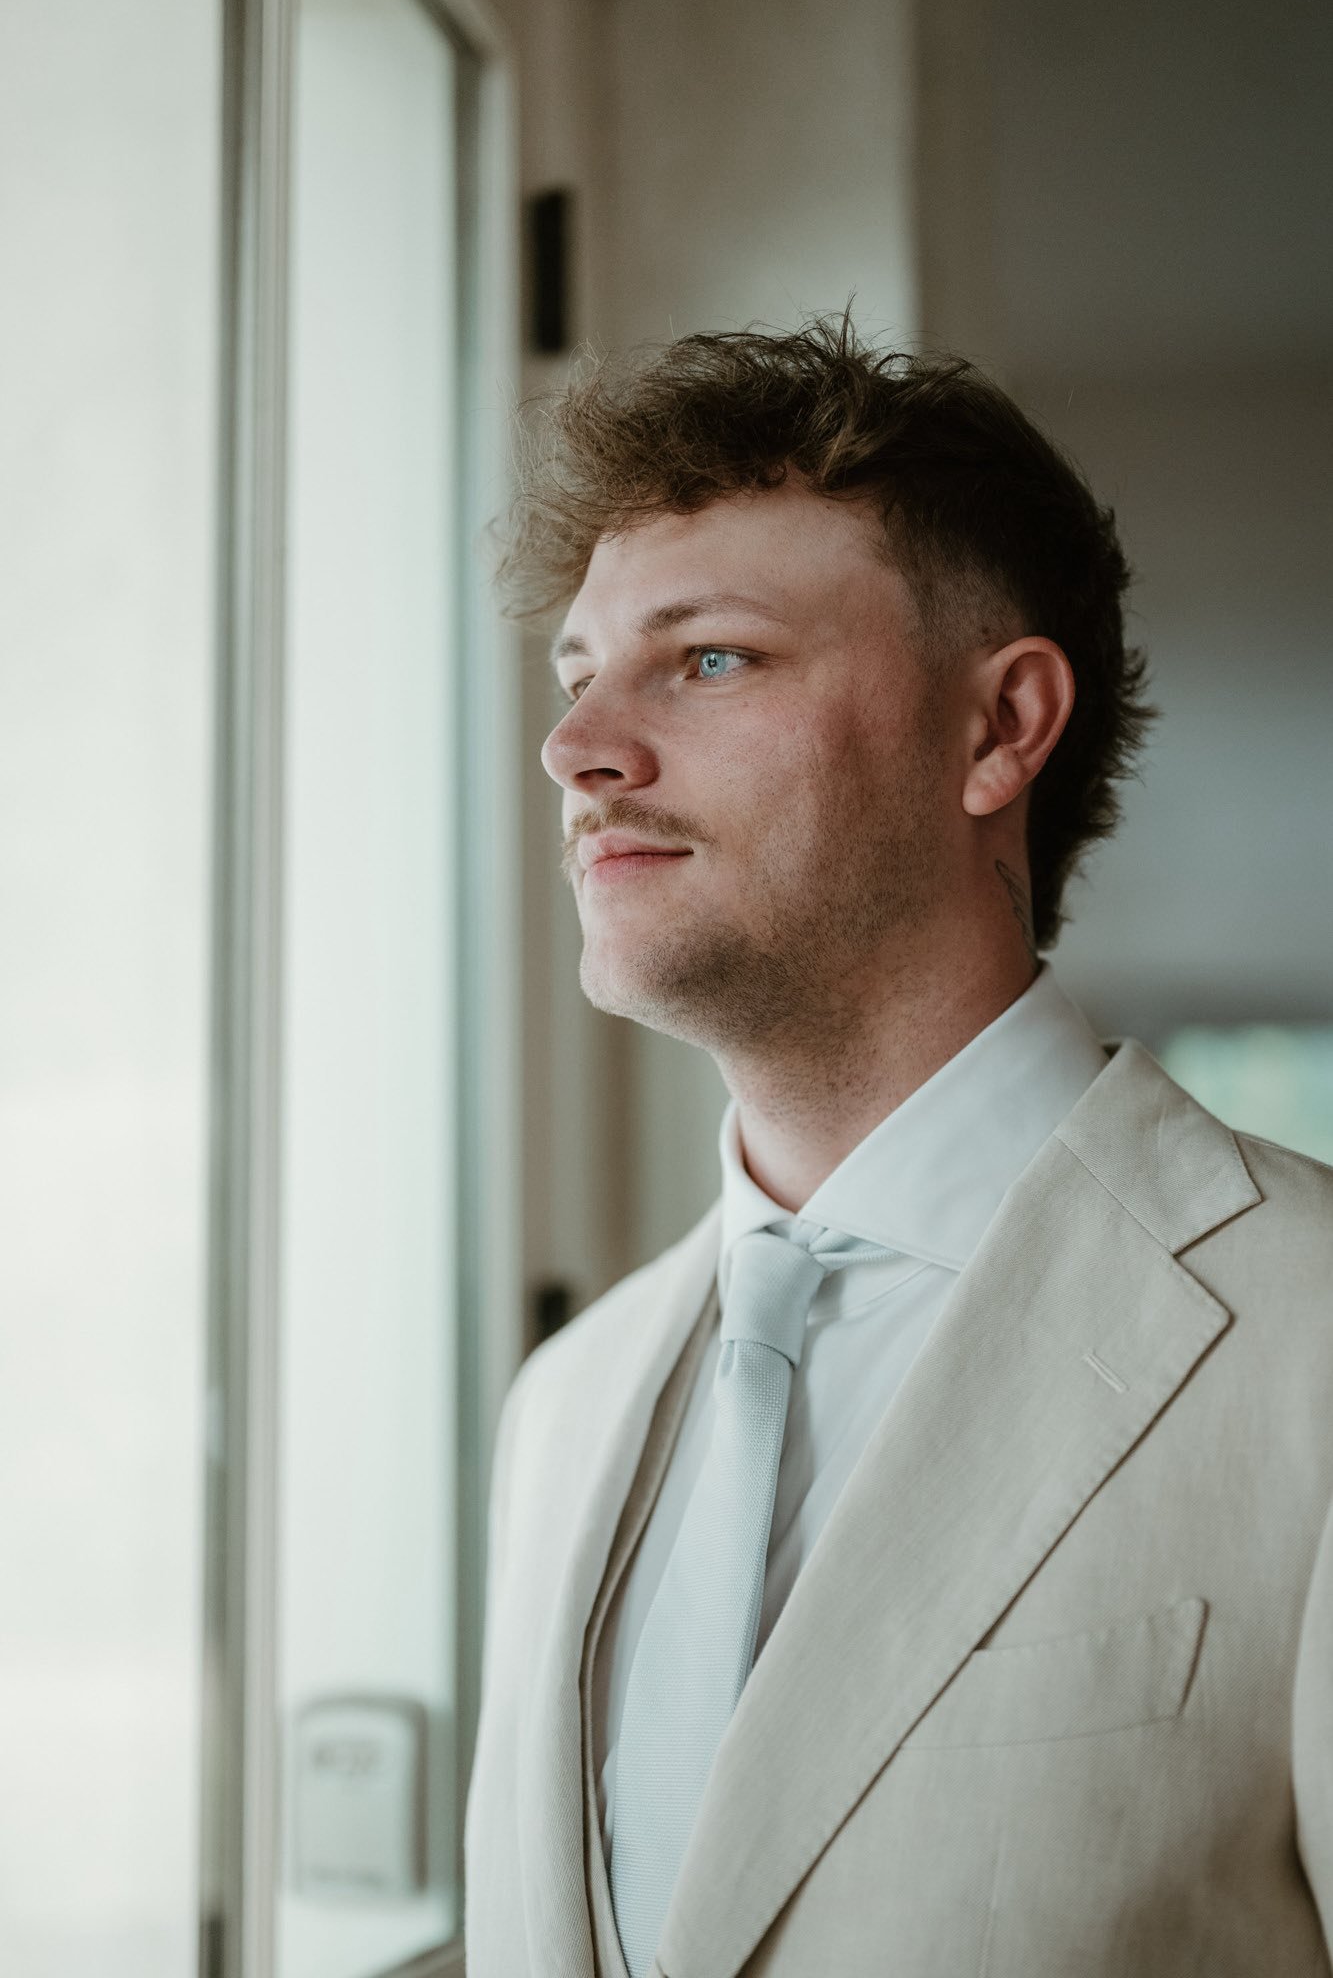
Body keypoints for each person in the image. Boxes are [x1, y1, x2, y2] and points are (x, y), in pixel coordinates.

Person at [463, 312, 1333, 1977]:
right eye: (578, 680)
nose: (579, 752)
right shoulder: (564, 1405)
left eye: (707, 659)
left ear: (997, 728)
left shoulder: (1312, 1337)